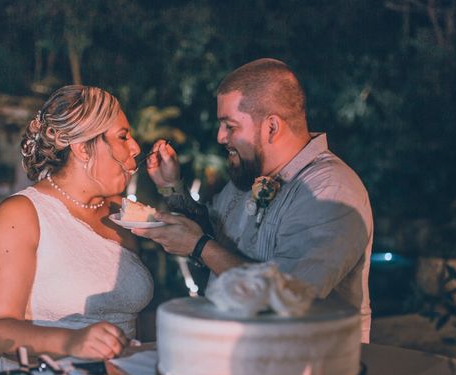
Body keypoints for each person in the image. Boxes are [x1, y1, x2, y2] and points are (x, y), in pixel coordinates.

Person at [134, 58, 374, 342]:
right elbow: (214, 234)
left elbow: (288, 295)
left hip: (307, 369)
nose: (220, 137)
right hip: (238, 359)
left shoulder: (330, 190)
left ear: (271, 127)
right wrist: (171, 188)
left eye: (230, 126)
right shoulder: (249, 174)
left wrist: (199, 247)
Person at [0, 85, 153, 370]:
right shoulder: (21, 214)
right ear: (83, 148)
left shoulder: (120, 214)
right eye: (123, 137)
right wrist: (71, 342)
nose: (135, 147)